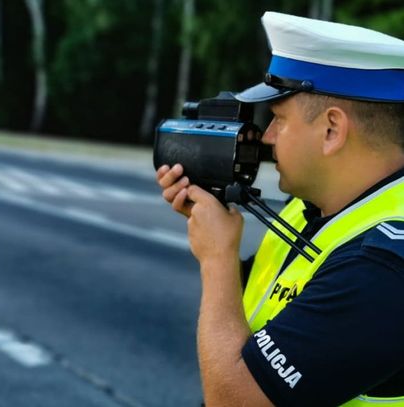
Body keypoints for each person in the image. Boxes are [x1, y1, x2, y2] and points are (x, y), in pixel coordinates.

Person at [156, 11, 404, 407]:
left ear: (331, 130)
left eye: (278, 118)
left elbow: (236, 402)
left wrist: (217, 259)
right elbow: (268, 303)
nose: (267, 137)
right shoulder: (315, 209)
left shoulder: (383, 265)